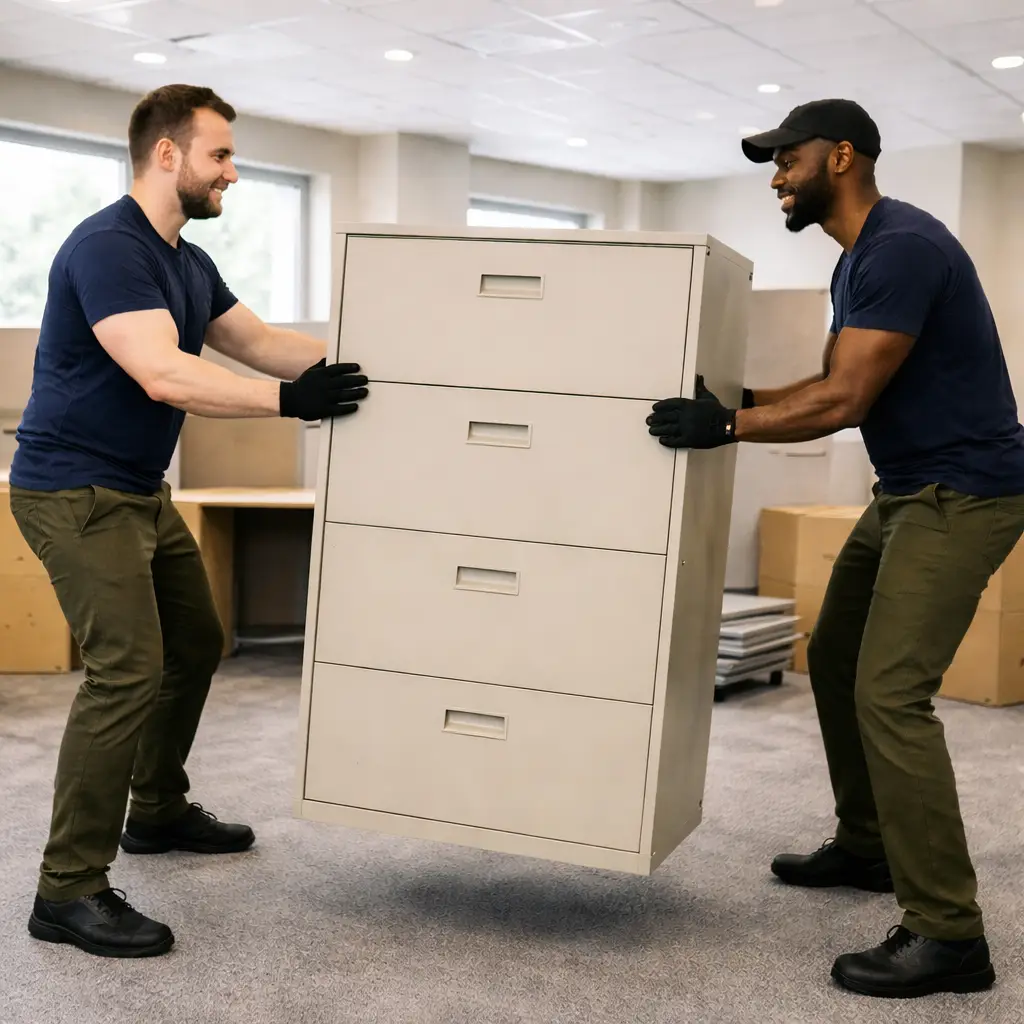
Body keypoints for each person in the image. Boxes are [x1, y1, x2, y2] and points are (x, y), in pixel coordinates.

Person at [646, 98, 1024, 999]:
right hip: (907, 487)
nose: (775, 174)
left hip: (964, 491)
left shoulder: (900, 249)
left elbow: (844, 404)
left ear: (842, 157)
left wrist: (727, 424)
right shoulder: (860, 260)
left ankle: (949, 935)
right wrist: (737, 395)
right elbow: (825, 381)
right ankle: (868, 846)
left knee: (892, 693)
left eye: (787, 158)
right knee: (841, 652)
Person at [8, 83, 368, 959]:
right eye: (220, 156)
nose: (232, 174)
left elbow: (260, 343)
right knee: (127, 670)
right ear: (166, 155)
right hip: (72, 490)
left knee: (196, 640)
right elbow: (164, 375)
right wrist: (291, 404)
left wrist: (377, 354)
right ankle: (67, 890)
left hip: (134, 488)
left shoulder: (185, 262)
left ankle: (156, 810)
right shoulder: (107, 247)